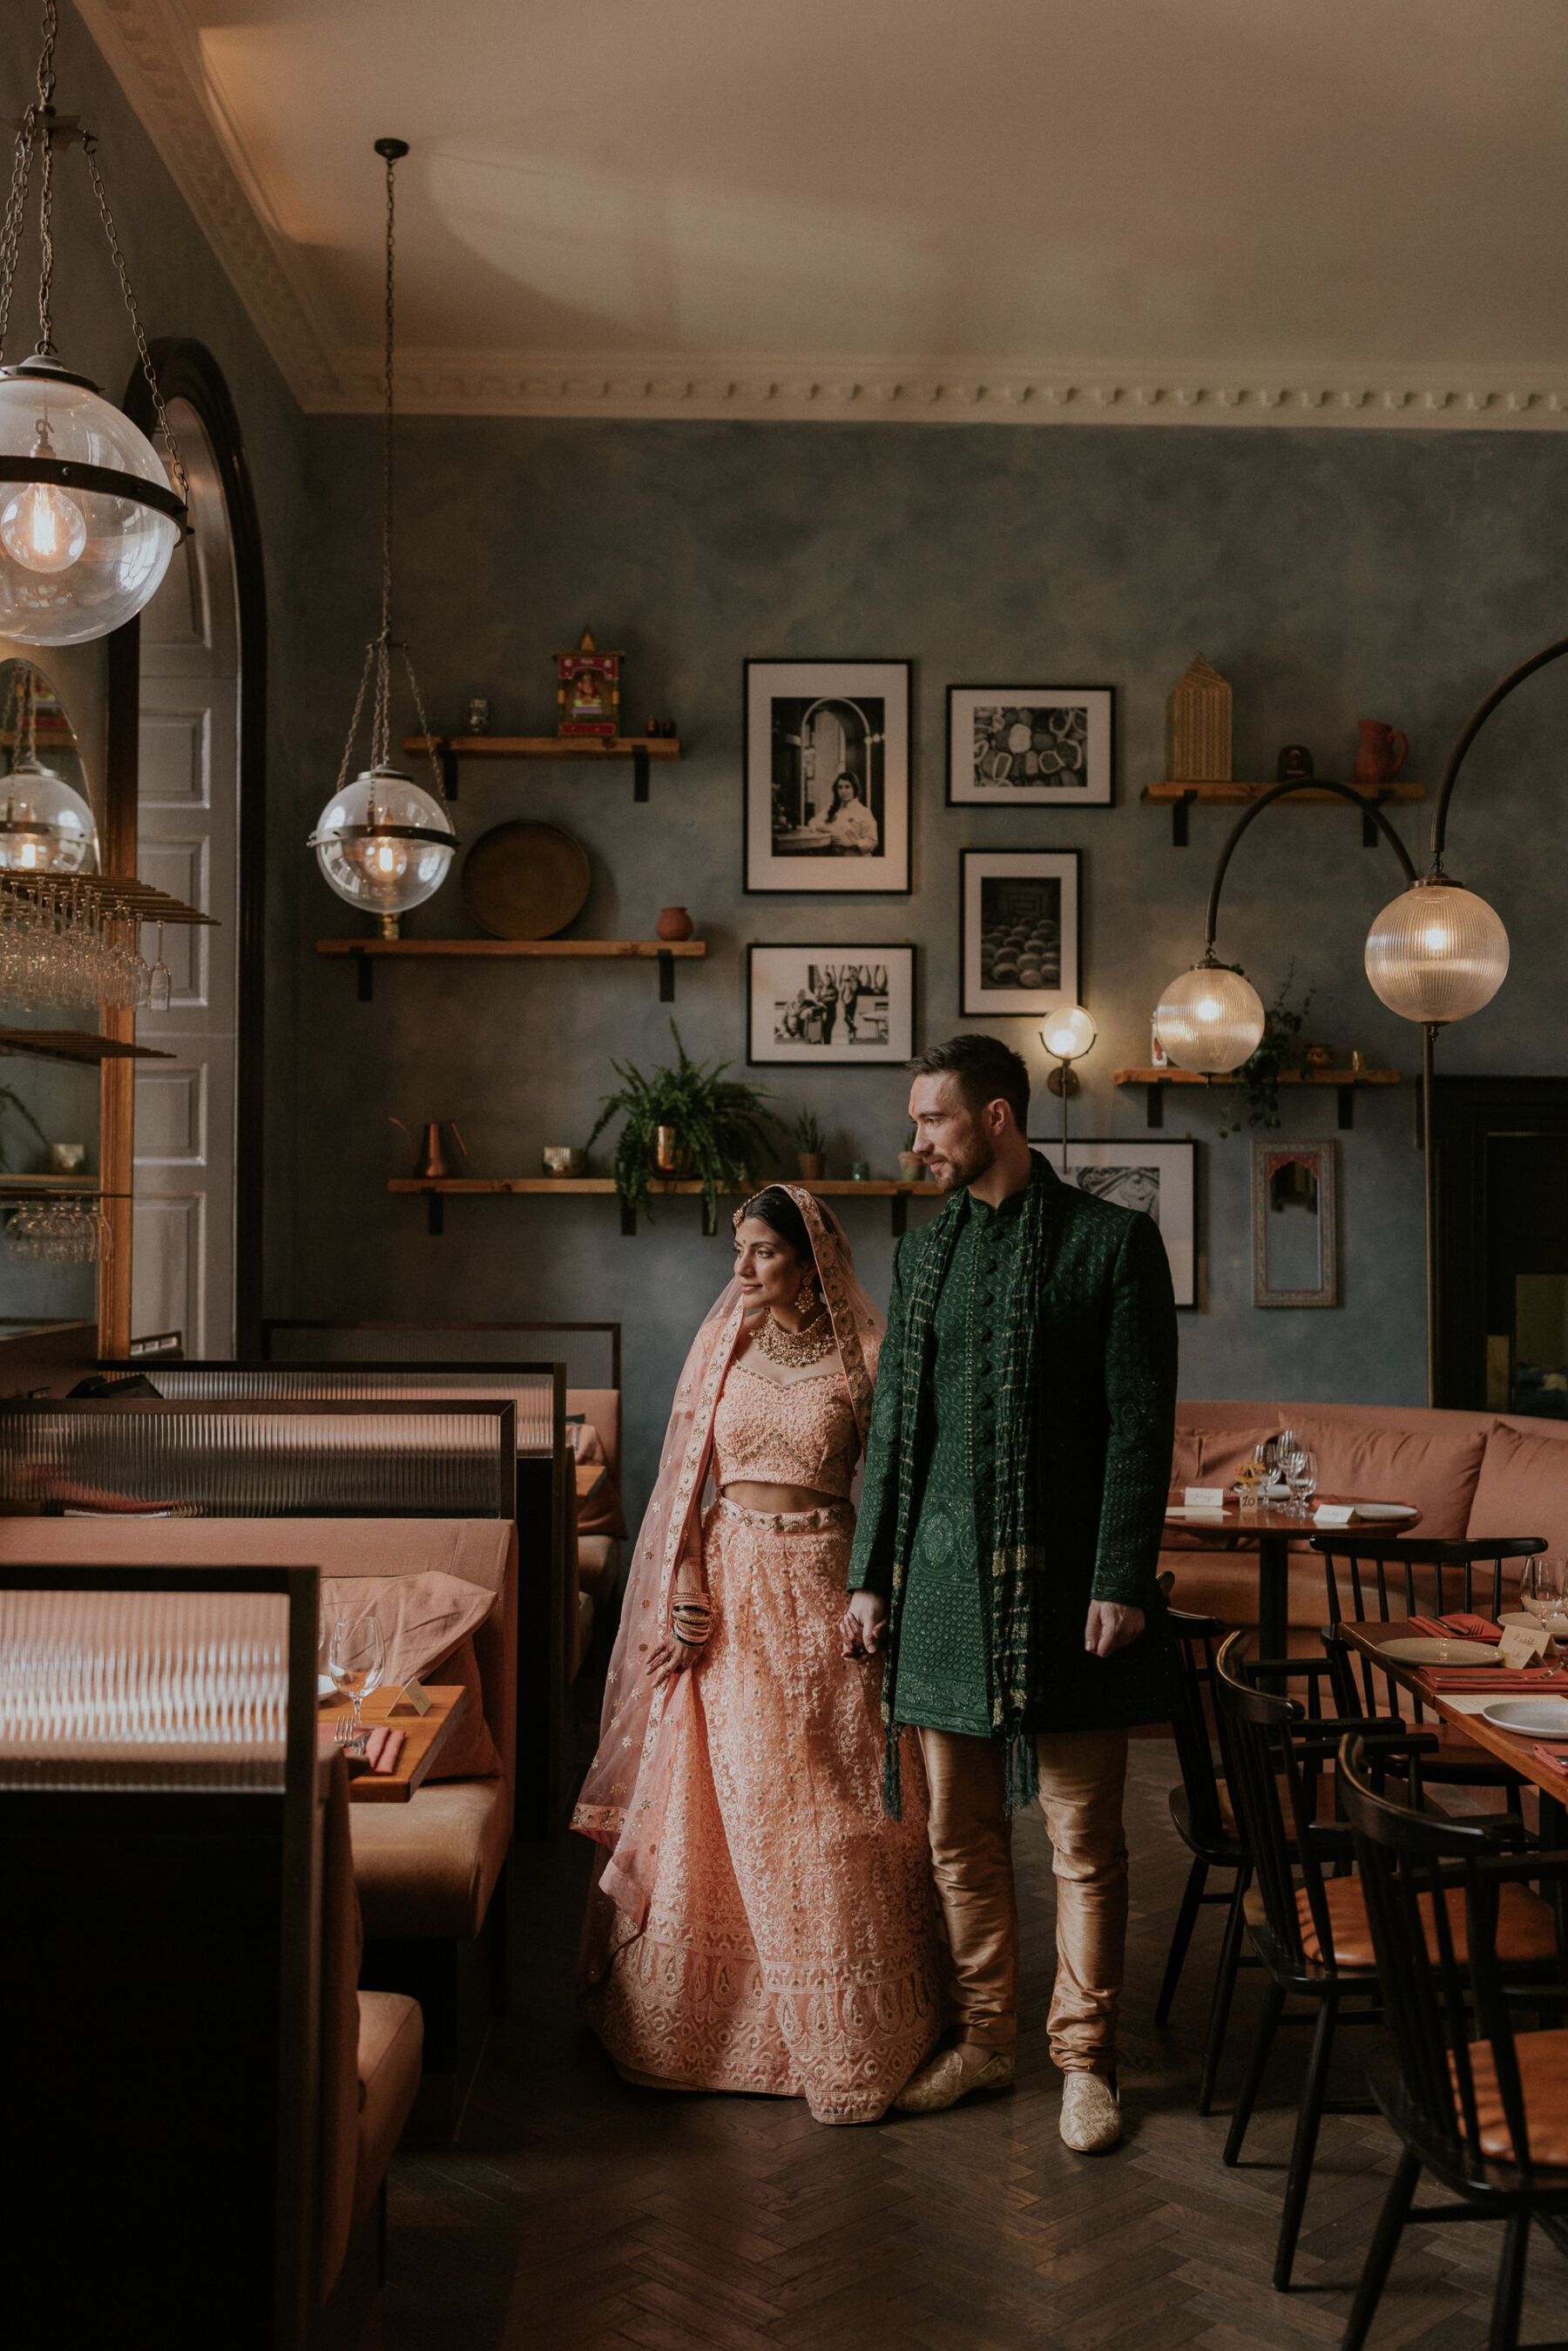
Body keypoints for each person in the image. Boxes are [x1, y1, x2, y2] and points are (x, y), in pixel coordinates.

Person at [842, 1034, 1176, 2151]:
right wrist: (871, 1576)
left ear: (994, 1117)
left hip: (1071, 1591)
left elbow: (1140, 1422)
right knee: (959, 1837)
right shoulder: (922, 1257)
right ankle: (986, 2043)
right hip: (938, 1592)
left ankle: (1087, 2061)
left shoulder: (1112, 1244)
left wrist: (1122, 1576)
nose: (918, 1140)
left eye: (932, 1119)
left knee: (1084, 1839)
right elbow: (896, 1427)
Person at [574, 1185, 941, 2124]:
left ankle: (845, 2025)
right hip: (729, 1601)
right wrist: (686, 1584)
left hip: (827, 1600)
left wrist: (875, 1594)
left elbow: (901, 1494)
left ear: (811, 1259)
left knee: (826, 1803)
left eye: (763, 1252)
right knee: (732, 1801)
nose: (741, 1270)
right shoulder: (722, 1347)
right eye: (738, 1250)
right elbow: (681, 1488)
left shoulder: (866, 1357)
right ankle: (703, 2026)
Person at [821, 771, 880, 854]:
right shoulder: (834, 809)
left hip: (857, 859)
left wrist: (851, 843)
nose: (843, 791)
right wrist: (828, 830)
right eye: (840, 787)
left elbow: (872, 841)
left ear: (854, 788)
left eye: (847, 787)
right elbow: (814, 823)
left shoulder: (864, 811)